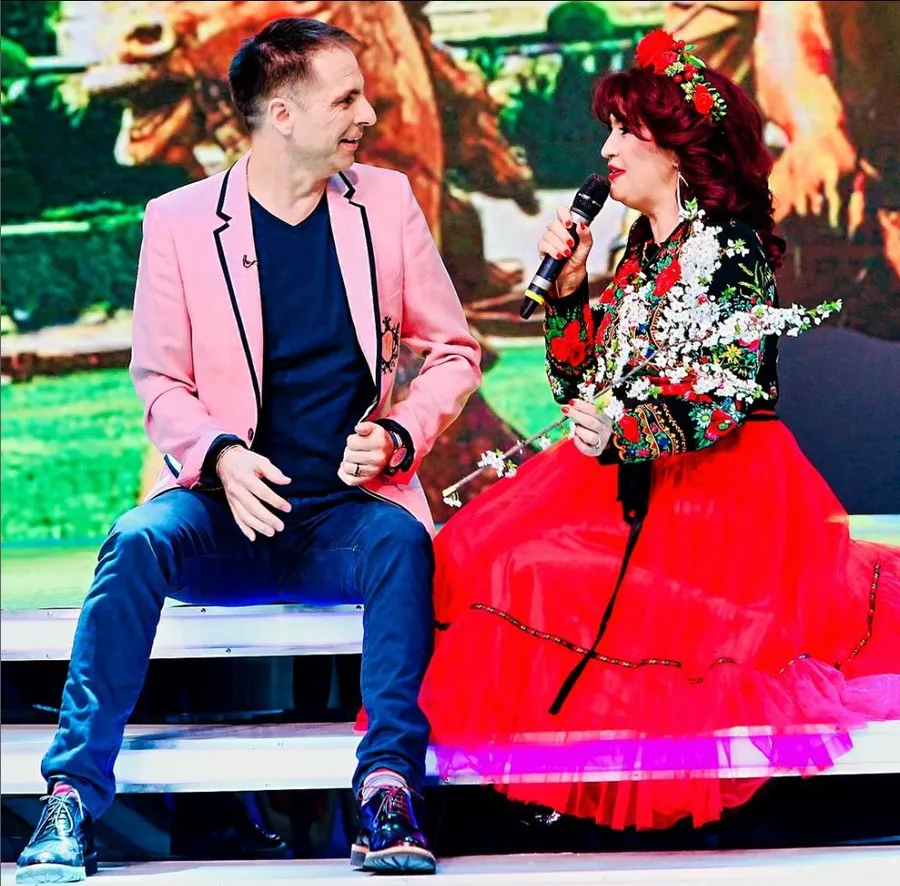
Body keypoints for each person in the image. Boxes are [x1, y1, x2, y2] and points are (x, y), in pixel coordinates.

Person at [16, 17, 480, 882]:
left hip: (346, 518)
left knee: (402, 544)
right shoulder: (179, 221)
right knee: (135, 540)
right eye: (346, 100)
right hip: (220, 515)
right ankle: (70, 796)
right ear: (282, 114)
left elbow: (453, 351)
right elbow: (160, 382)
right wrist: (222, 456)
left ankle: (387, 789)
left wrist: (399, 433)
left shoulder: (384, 204)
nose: (368, 115)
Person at [417, 30, 900, 833]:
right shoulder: (642, 250)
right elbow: (583, 389)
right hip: (629, 480)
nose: (606, 150)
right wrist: (568, 296)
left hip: (720, 493)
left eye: (623, 131)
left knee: (545, 575)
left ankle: (567, 789)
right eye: (608, 131)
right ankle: (539, 784)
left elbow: (729, 393)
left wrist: (627, 434)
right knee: (474, 551)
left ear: (678, 147)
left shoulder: (731, 248)